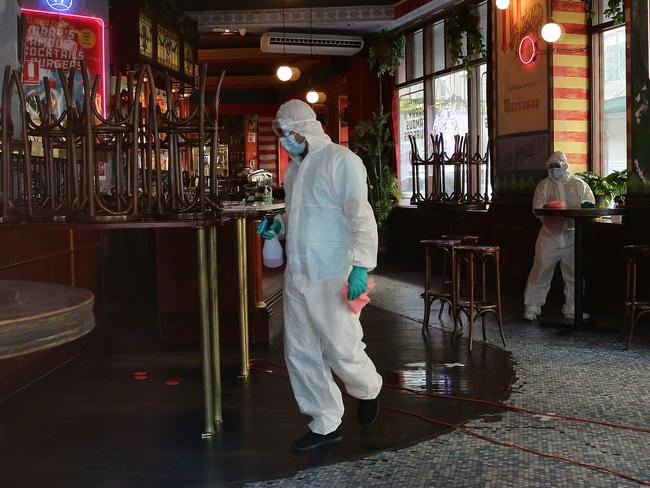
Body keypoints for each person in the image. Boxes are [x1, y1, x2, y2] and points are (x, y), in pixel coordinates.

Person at [257, 99, 382, 452]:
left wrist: (360, 265)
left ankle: (368, 387)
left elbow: (360, 215)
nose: (285, 140)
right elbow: (299, 215)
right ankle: (325, 421)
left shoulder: (342, 161)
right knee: (300, 351)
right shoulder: (294, 170)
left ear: (306, 128)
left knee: (342, 345)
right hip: (298, 273)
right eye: (281, 134)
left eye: (288, 132)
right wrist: (278, 226)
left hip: (331, 272)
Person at [523, 151, 595, 321]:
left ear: (565, 166)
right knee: (541, 271)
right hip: (550, 236)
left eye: (558, 166)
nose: (555, 169)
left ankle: (573, 307)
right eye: (552, 166)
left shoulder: (579, 185)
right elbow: (537, 209)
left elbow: (589, 203)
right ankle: (532, 307)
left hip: (572, 236)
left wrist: (583, 206)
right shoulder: (543, 186)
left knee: (574, 274)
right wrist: (551, 209)